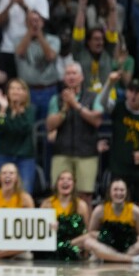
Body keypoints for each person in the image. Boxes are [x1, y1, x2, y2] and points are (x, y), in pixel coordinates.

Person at [99, 75, 139, 213]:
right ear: (126, 92)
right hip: (119, 166)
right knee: (117, 201)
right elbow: (102, 102)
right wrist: (109, 83)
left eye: (137, 91)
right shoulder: (119, 108)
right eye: (130, 91)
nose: (133, 95)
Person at [46, 62, 103, 209]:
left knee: (85, 195)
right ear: (64, 78)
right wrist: (65, 108)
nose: (71, 77)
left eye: (74, 73)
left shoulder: (93, 97)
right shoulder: (56, 99)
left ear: (82, 77)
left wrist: (75, 105)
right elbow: (50, 125)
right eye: (68, 74)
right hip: (62, 152)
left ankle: (85, 229)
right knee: (58, 193)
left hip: (87, 153)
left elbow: (97, 120)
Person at [82, 179, 139, 263]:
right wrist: (106, 237)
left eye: (122, 190)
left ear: (126, 192)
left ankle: (106, 257)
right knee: (88, 242)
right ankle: (129, 259)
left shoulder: (135, 211)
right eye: (115, 190)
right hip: (106, 245)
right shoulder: (100, 210)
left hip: (127, 247)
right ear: (110, 192)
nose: (119, 193)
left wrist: (129, 239)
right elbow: (91, 232)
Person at [0, 163, 34, 259]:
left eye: (11, 173)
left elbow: (33, 223)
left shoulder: (25, 198)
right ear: (0, 177)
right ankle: (2, 254)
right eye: (4, 173)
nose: (7, 175)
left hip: (18, 245)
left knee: (27, 256)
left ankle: (0, 255)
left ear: (16, 178)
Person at [15, 10, 61, 120]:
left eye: (37, 20)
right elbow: (20, 52)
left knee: (47, 127)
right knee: (28, 125)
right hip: (27, 91)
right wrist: (30, 33)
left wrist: (39, 34)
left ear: (42, 22)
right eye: (31, 21)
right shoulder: (18, 40)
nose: (34, 24)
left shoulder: (53, 39)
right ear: (26, 23)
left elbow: (50, 56)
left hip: (49, 90)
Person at [0, 79, 36, 195]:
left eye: (19, 88)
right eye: (12, 88)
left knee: (25, 191)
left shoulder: (30, 110)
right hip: (4, 155)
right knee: (0, 191)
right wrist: (2, 109)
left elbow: (23, 129)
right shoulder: (3, 108)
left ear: (25, 93)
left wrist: (15, 115)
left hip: (24, 157)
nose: (15, 91)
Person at [41, 170, 90, 261]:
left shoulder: (81, 205)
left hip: (74, 245)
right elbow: (39, 230)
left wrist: (85, 255)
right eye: (61, 179)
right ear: (56, 184)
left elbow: (86, 231)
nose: (65, 181)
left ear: (74, 184)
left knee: (91, 236)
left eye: (69, 179)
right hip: (53, 246)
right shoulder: (47, 203)